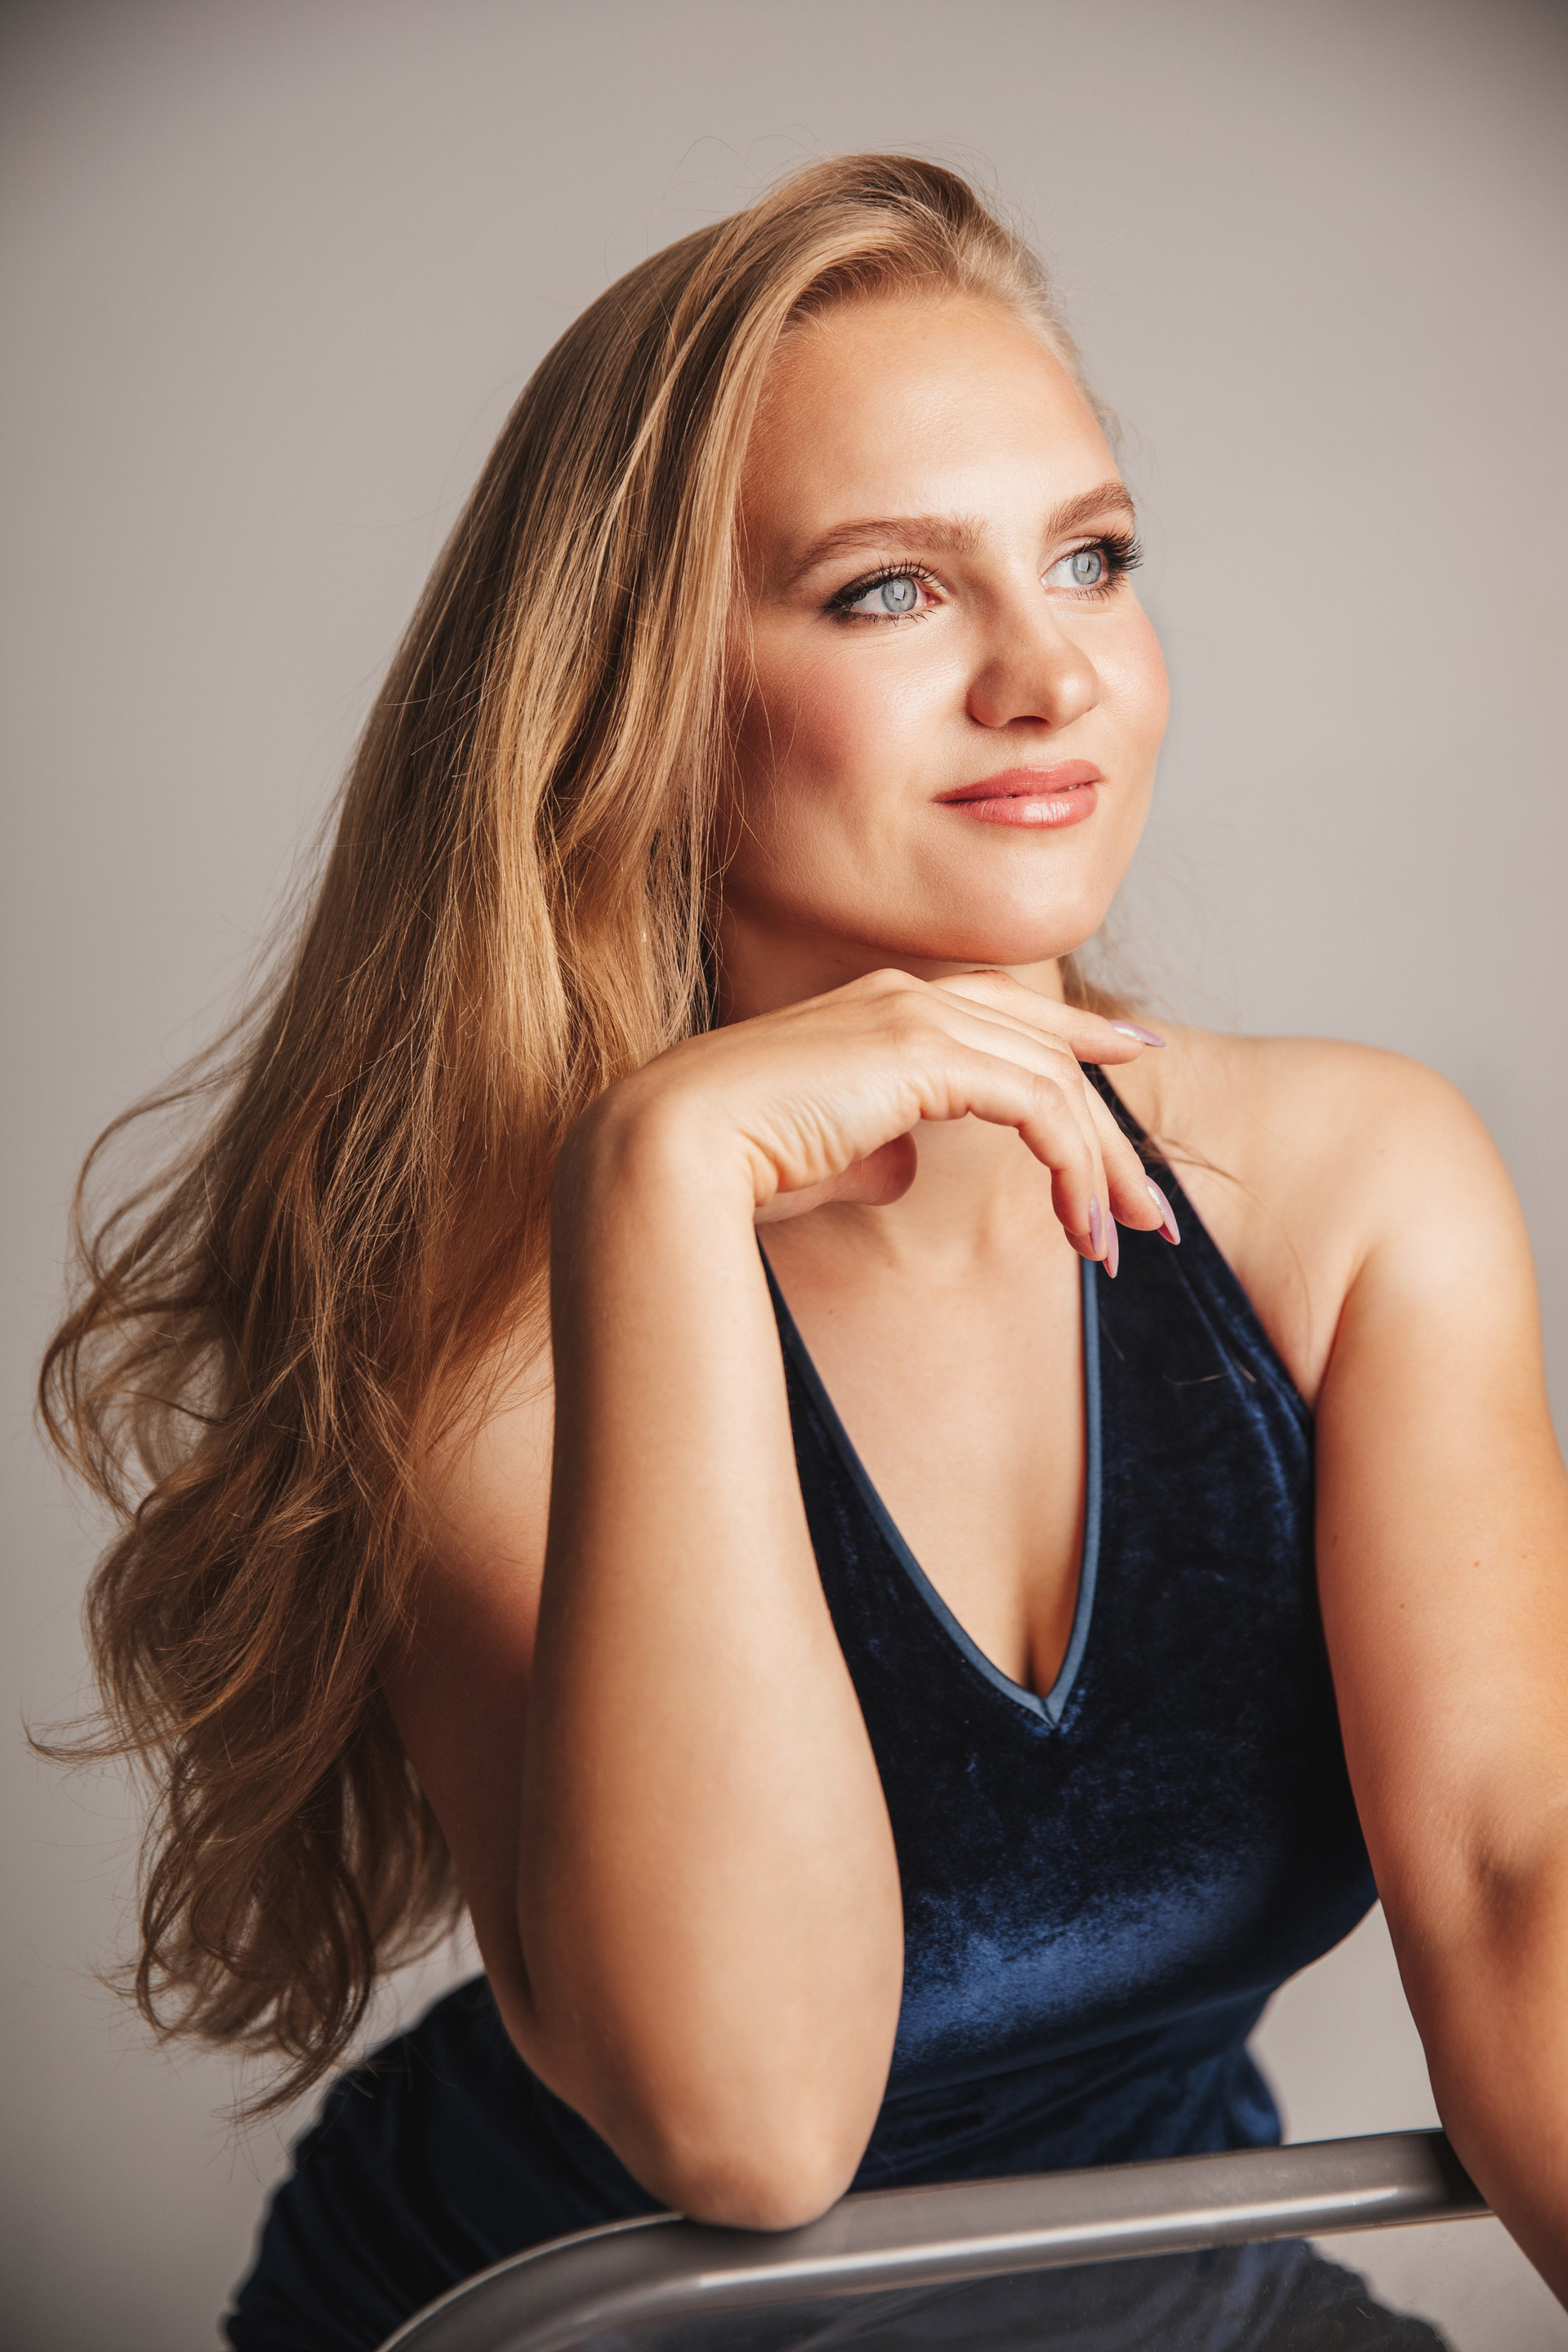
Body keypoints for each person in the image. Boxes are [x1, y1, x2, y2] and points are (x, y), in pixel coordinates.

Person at [40, 155, 1568, 2350]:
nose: (1051, 675)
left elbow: (1521, 1878)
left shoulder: (1350, 1188)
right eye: (889, 592)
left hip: (1162, 2306)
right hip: (588, 2320)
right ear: (641, 697)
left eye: (1093, 558)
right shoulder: (480, 1323)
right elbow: (751, 2128)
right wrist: (662, 1180)